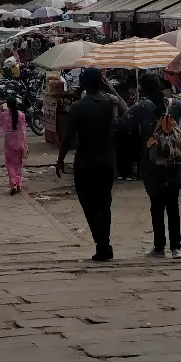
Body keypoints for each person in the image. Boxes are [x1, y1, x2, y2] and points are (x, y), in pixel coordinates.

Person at [126, 74, 181, 260]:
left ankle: (159, 247)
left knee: (156, 205)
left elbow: (123, 124)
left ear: (143, 89)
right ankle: (176, 248)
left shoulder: (141, 107)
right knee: (173, 205)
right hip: (174, 160)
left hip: (152, 163)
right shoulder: (174, 104)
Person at [56, 67, 125, 263]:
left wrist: (60, 159)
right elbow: (125, 114)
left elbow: (68, 137)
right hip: (107, 160)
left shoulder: (78, 107)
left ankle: (102, 244)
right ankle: (104, 244)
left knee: (88, 204)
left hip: (86, 161)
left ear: (84, 83)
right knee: (105, 204)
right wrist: (111, 90)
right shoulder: (111, 103)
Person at [0, 93, 28, 194]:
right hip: (19, 140)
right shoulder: (21, 115)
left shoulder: (4, 115)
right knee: (18, 164)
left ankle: (13, 182)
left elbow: (0, 125)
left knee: (9, 163)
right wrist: (23, 142)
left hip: (9, 141)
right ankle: (19, 183)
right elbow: (23, 129)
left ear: (8, 105)